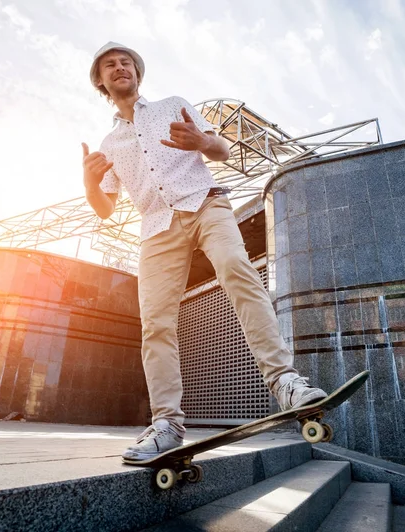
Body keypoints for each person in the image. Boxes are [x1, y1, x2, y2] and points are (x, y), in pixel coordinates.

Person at [82, 42, 327, 461]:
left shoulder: (173, 105)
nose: (120, 67)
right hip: (157, 226)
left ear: (138, 74)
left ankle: (286, 382)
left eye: (126, 63)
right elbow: (104, 209)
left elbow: (221, 150)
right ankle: (166, 424)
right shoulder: (109, 143)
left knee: (237, 268)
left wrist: (199, 140)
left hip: (204, 202)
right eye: (110, 65)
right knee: (155, 322)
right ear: (101, 82)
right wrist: (89, 184)